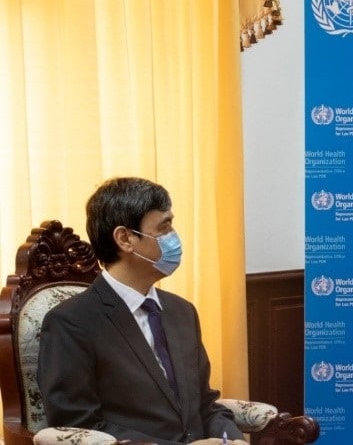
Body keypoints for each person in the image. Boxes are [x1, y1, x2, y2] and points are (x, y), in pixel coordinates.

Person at [38, 177, 246, 445]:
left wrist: (233, 439)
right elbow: (78, 425)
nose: (174, 238)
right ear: (125, 238)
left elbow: (205, 405)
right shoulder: (71, 322)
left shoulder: (182, 311)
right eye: (164, 227)